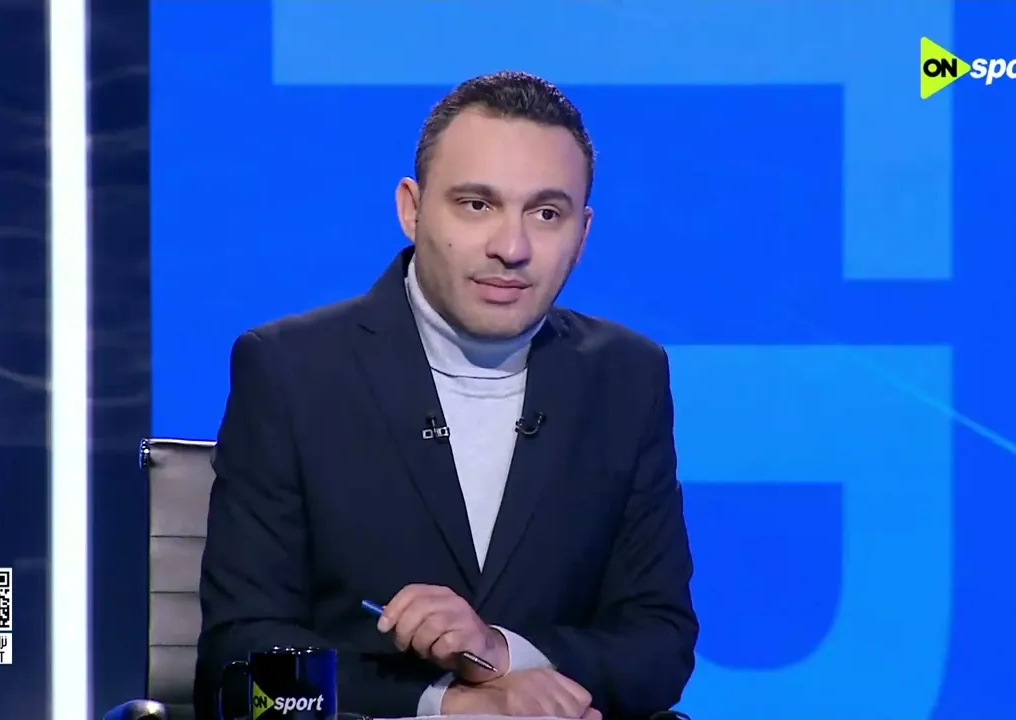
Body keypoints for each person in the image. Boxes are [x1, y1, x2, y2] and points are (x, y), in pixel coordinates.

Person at [197, 70, 697, 720]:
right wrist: (447, 704)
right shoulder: (291, 372)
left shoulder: (627, 377)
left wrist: (501, 652)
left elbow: (659, 646)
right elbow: (239, 665)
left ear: (583, 232)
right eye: (476, 205)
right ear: (411, 209)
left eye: (547, 213)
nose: (511, 247)